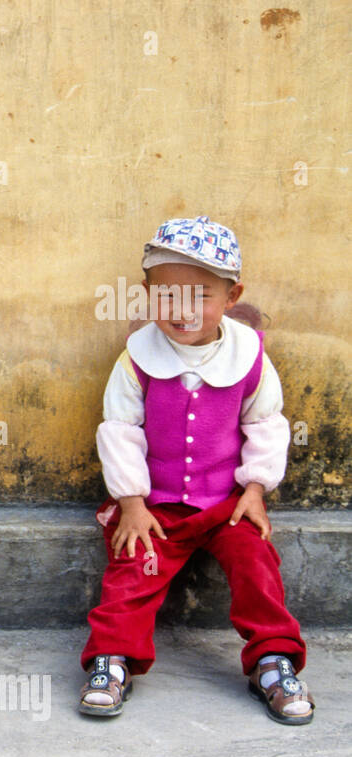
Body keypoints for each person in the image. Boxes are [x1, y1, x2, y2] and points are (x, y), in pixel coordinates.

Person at [82, 215, 312, 724]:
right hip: (156, 507)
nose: (182, 311)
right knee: (132, 568)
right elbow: (120, 429)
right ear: (146, 293)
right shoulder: (137, 358)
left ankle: (272, 659)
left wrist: (255, 488)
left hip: (226, 505)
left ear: (233, 296)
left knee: (256, 563)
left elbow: (266, 423)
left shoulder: (248, 356)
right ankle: (111, 659)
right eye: (167, 296)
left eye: (200, 295)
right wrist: (132, 505)